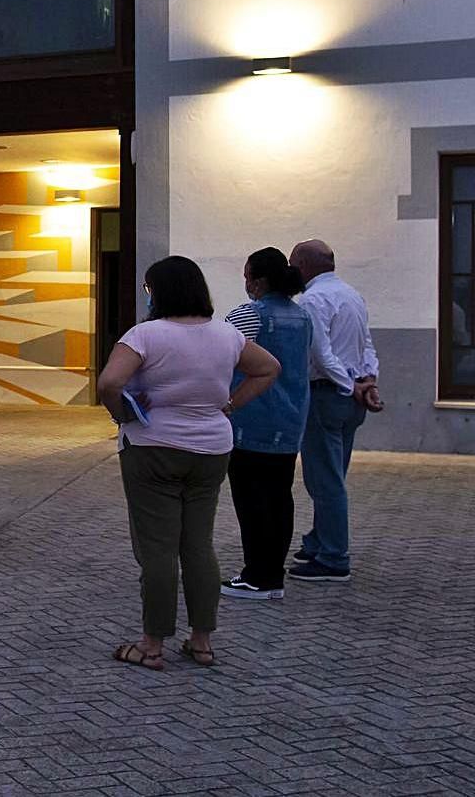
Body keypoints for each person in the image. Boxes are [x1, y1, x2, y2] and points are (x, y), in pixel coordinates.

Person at [98, 256, 281, 670]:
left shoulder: (144, 335)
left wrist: (120, 413)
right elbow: (269, 368)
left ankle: (151, 644)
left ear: (157, 292)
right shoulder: (227, 335)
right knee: (198, 544)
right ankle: (202, 642)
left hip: (153, 449)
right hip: (212, 450)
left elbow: (110, 382)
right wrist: (230, 405)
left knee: (157, 549)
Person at [220, 248, 313, 601]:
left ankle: (257, 575)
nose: (244, 284)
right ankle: (273, 574)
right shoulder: (303, 317)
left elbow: (221, 353)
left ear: (258, 281)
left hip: (251, 420)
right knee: (279, 497)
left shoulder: (248, 315)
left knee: (251, 500)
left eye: (246, 277)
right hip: (290, 421)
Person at [288, 239, 382, 584]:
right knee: (333, 475)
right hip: (351, 398)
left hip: (328, 396)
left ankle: (333, 557)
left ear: (301, 266)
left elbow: (321, 355)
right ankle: (317, 541)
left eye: (291, 265)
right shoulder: (351, 295)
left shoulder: (312, 300)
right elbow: (366, 344)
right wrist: (367, 381)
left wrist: (348, 384)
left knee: (324, 480)